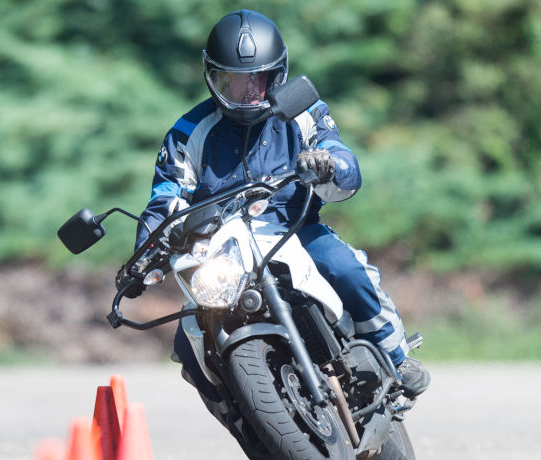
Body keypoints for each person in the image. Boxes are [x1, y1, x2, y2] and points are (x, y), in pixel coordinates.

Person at [129, 10, 430, 414]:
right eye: (232, 80)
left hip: (294, 226)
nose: (247, 90)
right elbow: (166, 197)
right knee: (187, 342)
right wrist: (145, 251)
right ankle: (237, 414)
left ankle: (394, 356)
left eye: (258, 79)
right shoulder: (188, 131)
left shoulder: (304, 110)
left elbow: (344, 161)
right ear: (212, 76)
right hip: (219, 247)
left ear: (278, 74)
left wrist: (328, 164)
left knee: (346, 269)